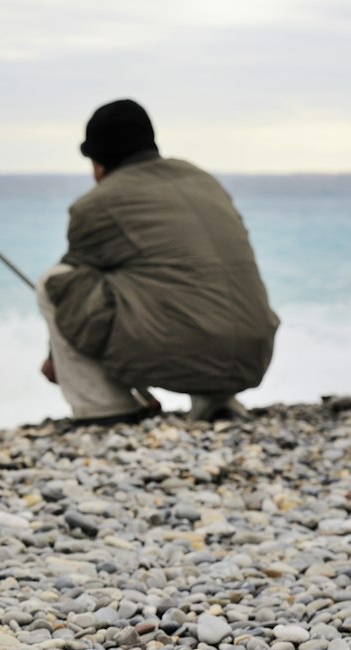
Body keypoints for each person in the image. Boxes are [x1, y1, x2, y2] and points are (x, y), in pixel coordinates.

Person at [37, 99, 279, 423]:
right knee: (186, 284)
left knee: (54, 280)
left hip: (184, 355)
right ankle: (216, 403)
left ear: (98, 161)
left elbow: (71, 293)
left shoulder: (97, 204)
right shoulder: (203, 181)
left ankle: (105, 410)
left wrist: (55, 358)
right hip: (253, 354)